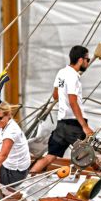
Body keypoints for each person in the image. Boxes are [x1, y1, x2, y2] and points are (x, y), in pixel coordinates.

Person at [30, 45, 93, 173]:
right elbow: (73, 101)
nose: (88, 62)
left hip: (62, 123)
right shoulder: (73, 77)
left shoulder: (62, 73)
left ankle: (27, 178)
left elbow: (55, 95)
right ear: (81, 60)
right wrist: (84, 126)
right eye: (88, 59)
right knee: (89, 156)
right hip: (74, 124)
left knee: (50, 157)